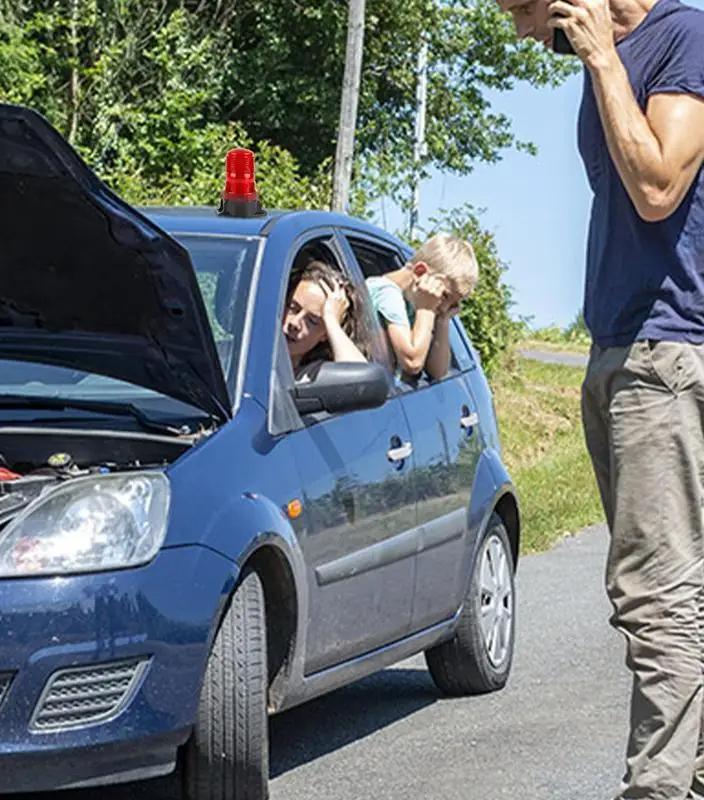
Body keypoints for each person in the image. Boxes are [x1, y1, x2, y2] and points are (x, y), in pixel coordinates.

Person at [497, 0, 704, 796]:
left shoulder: (682, 39)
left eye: (523, 9)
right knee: (679, 597)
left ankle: (657, 789)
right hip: (622, 346)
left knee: (658, 597)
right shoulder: (604, 64)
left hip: (664, 354)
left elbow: (657, 188)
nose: (522, 32)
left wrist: (605, 60)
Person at [366, 233, 478, 381]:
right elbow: (412, 362)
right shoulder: (385, 292)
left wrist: (443, 321)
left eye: (453, 304)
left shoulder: (414, 303)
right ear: (420, 273)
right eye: (444, 295)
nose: (444, 308)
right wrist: (426, 310)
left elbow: (438, 372)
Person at [283, 259, 368, 382]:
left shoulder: (315, 376)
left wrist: (331, 319)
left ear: (325, 335)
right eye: (292, 308)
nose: (295, 323)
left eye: (312, 321)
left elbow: (359, 382)